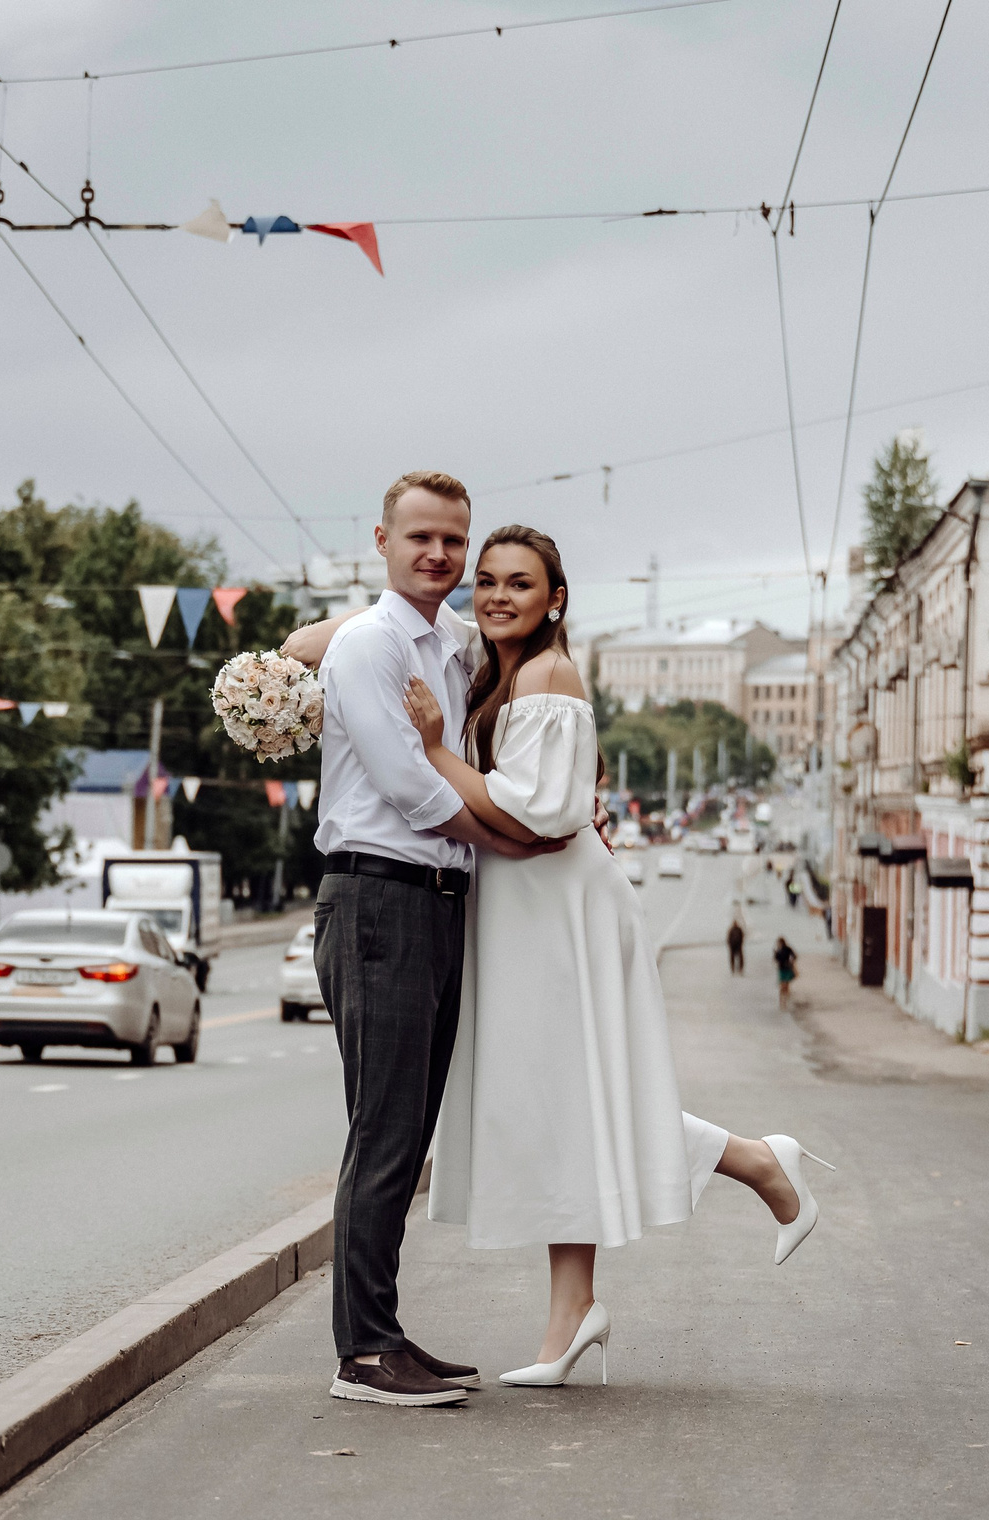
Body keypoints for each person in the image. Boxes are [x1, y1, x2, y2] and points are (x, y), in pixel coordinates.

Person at [290, 516, 831, 1392]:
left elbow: (532, 816)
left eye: (519, 583)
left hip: (554, 898)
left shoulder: (547, 673)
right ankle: (575, 1312)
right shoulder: (479, 648)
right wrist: (393, 605)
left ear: (558, 599)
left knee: (566, 1095)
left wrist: (431, 748)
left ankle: (758, 1161)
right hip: (520, 899)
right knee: (552, 1101)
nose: (497, 595)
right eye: (487, 580)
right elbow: (310, 638)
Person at [303, 472, 571, 1408]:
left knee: (404, 1134)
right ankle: (363, 1354)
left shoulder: (447, 639)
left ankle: (384, 1334)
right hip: (378, 898)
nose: (441, 557)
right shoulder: (375, 646)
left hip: (433, 901)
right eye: (421, 538)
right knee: (382, 1133)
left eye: (453, 542)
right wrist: (511, 839)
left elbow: (502, 636)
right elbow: (411, 786)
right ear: (381, 538)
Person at [772, 936, 798, 1010]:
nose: (778, 944)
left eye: (778, 943)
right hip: (783, 969)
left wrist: (791, 961)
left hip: (785, 969)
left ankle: (784, 1001)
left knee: (785, 985)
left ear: (781, 943)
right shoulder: (781, 950)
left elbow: (794, 956)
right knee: (783, 985)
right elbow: (776, 959)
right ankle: (783, 1002)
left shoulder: (786, 949)